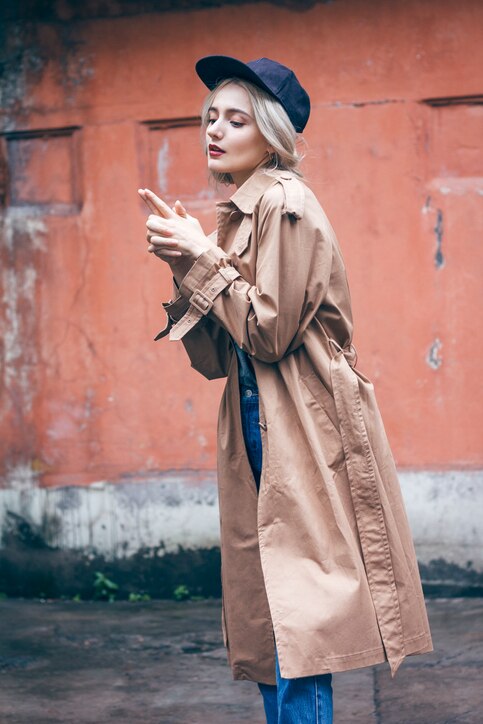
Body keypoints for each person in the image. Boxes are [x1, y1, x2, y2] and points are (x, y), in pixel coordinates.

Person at [138, 55, 433, 724]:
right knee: (269, 605)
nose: (215, 128)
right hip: (254, 413)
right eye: (209, 116)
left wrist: (201, 256)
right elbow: (218, 354)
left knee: (300, 604)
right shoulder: (240, 213)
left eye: (235, 118)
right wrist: (187, 261)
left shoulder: (284, 201)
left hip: (300, 417)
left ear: (270, 133)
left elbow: (268, 334)